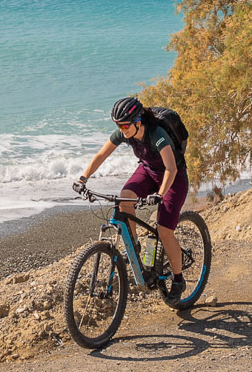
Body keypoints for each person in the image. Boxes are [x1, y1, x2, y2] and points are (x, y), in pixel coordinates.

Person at [76, 96, 187, 296]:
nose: (121, 129)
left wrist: (160, 195)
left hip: (174, 178)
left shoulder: (156, 134)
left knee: (164, 231)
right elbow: (101, 155)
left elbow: (171, 168)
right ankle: (134, 245)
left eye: (125, 125)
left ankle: (179, 280)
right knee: (125, 197)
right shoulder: (124, 133)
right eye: (118, 125)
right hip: (149, 171)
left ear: (137, 121)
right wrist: (83, 178)